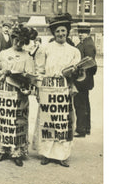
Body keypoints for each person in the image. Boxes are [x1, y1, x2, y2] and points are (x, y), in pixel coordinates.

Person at [34, 14, 81, 167]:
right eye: (58, 31)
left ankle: (62, 155)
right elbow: (39, 70)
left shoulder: (74, 51)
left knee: (62, 121)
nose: (61, 34)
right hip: (48, 89)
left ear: (67, 32)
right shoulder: (45, 49)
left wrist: (74, 74)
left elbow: (79, 73)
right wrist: (39, 89)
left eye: (63, 31)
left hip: (64, 90)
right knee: (48, 121)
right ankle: (46, 153)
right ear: (53, 33)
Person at [0, 24, 37, 166]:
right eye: (16, 40)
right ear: (12, 38)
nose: (18, 43)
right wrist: (2, 73)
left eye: (21, 41)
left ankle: (17, 151)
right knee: (4, 120)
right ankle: (3, 149)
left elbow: (30, 76)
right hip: (4, 90)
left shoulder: (27, 57)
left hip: (18, 93)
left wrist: (25, 81)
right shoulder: (3, 54)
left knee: (18, 121)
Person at [73, 22, 97, 137]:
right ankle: (86, 128)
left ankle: (81, 129)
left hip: (82, 79)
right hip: (85, 79)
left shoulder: (88, 45)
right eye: (79, 32)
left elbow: (91, 63)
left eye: (83, 32)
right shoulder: (87, 43)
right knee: (84, 104)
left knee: (80, 104)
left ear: (88, 33)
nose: (80, 35)